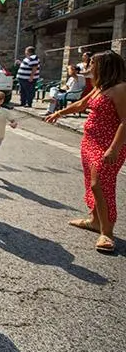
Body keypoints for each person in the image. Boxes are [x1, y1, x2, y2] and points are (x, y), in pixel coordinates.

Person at [47, 50, 126, 254]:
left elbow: (125, 121)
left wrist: (114, 148)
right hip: (90, 141)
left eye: (92, 63)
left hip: (108, 145)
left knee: (100, 185)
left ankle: (107, 233)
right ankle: (94, 220)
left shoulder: (120, 89)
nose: (89, 66)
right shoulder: (101, 87)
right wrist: (59, 113)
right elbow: (82, 104)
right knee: (92, 183)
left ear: (104, 66)